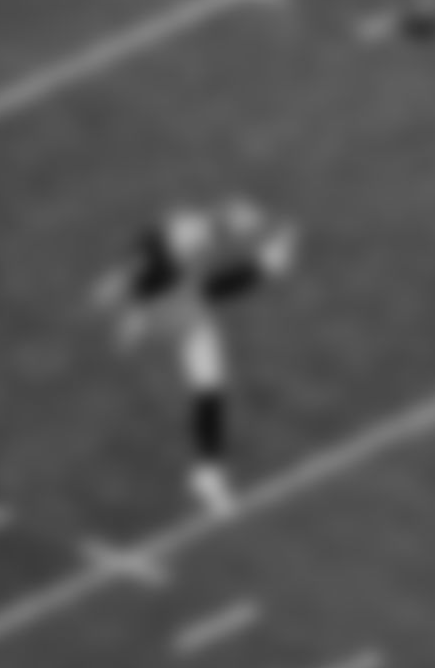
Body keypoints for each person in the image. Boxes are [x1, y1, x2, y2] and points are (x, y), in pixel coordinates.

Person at [92, 197, 298, 515]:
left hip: (180, 308)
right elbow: (159, 265)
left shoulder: (180, 250)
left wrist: (126, 300)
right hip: (175, 311)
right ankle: (208, 476)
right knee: (208, 383)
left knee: (209, 386)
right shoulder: (172, 248)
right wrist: (129, 301)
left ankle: (208, 474)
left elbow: (199, 279)